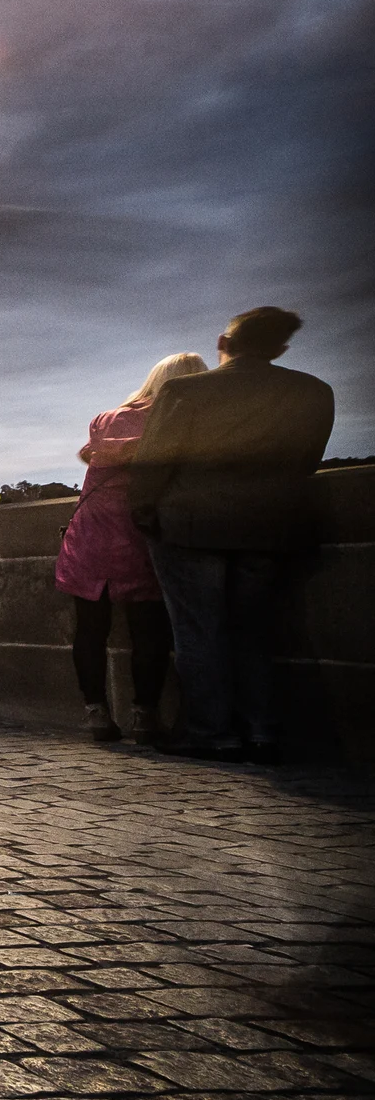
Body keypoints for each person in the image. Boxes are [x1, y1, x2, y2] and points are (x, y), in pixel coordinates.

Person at [129, 307, 335, 764]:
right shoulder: (314, 392)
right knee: (255, 631)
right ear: (280, 348)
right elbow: (306, 462)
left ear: (224, 344)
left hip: (188, 527)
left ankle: (213, 733)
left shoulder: (184, 390)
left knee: (199, 632)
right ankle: (261, 731)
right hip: (270, 527)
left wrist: (145, 513)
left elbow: (153, 464)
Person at [53, 353, 207, 745]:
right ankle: (144, 716)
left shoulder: (107, 419)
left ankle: (96, 714)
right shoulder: (178, 422)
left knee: (89, 631)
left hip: (89, 540)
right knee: (149, 634)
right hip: (138, 540)